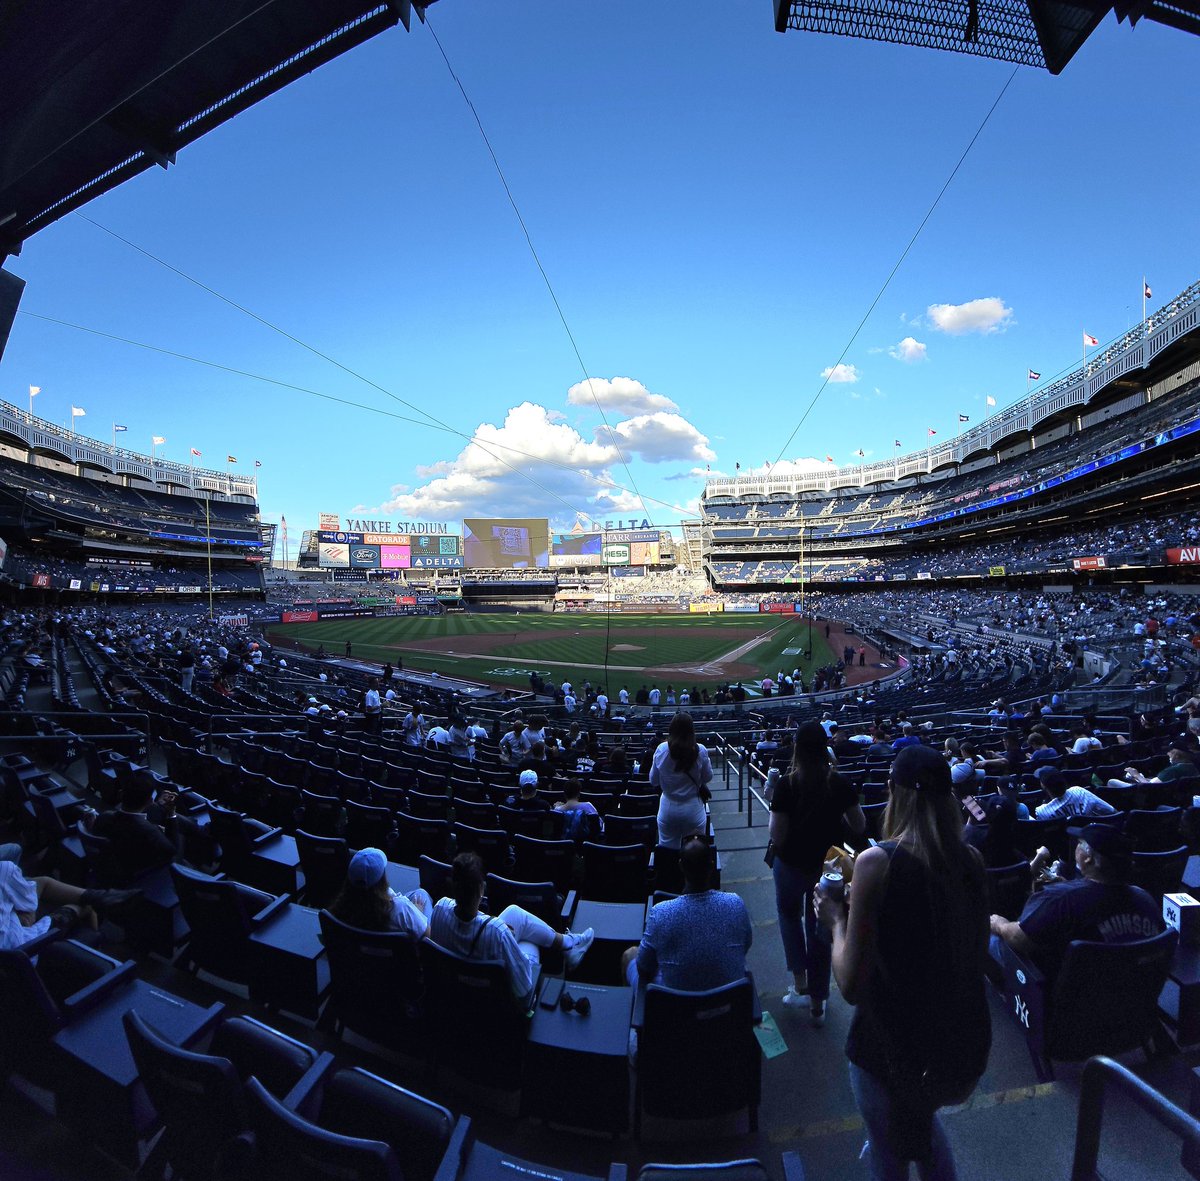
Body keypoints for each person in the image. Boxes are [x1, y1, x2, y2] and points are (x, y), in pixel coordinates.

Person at [816, 744, 991, 1180]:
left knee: (889, 1152)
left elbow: (850, 986)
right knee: (920, 1130)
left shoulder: (878, 862)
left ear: (894, 792)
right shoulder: (972, 860)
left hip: (892, 1048)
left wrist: (836, 921)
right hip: (960, 1042)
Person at [769, 721, 865, 1024]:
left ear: (797, 750)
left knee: (789, 916)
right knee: (820, 929)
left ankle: (800, 984)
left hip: (790, 865)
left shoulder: (786, 785)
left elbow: (777, 835)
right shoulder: (839, 783)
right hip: (827, 869)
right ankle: (817, 1003)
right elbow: (860, 825)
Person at [989, 822, 1164, 986]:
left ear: (1088, 858)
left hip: (1065, 998)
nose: (1076, 846)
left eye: (1080, 843)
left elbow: (1019, 939)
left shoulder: (1060, 899)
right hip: (1129, 995)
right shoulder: (1146, 899)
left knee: (992, 938)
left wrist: (1000, 924)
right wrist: (1066, 888)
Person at [428, 852, 593, 997]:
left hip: (455, 987)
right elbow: (524, 990)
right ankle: (569, 946)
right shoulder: (497, 931)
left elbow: (465, 917)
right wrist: (503, 932)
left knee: (514, 913)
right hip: (491, 996)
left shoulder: (439, 908)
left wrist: (496, 924)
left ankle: (568, 945)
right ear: (481, 889)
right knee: (529, 941)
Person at [622, 834, 751, 991]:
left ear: (681, 867)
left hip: (672, 1003)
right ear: (711, 866)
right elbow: (745, 945)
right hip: (728, 1000)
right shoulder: (735, 904)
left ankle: (636, 1006)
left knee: (630, 955)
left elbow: (643, 967)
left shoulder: (661, 913)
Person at [0, 858, 138, 951]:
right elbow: (29, 907)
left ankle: (103, 897)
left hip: (9, 944)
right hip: (24, 946)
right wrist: (21, 914)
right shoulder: (5, 869)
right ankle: (96, 950)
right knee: (87, 907)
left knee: (39, 882)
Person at [327, 847, 431, 938]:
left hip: (360, 950)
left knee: (420, 893)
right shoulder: (400, 909)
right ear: (382, 880)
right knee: (423, 896)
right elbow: (428, 936)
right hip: (400, 951)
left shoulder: (341, 907)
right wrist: (418, 913)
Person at [650, 712, 713, 849]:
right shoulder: (701, 750)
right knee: (694, 852)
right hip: (693, 808)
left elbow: (653, 781)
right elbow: (707, 777)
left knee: (668, 852)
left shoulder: (661, 749)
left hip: (668, 808)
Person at [1033, 770, 1117, 820]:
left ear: (1043, 786)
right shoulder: (1079, 791)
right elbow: (1112, 811)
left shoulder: (1041, 811)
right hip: (1091, 836)